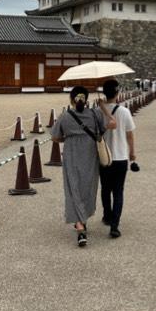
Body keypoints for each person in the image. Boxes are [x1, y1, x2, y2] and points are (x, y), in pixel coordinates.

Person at [51, 85, 116, 247]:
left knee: (73, 187)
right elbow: (101, 131)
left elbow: (55, 137)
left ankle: (80, 226)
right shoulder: (95, 114)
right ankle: (83, 218)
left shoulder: (65, 116)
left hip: (71, 154)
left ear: (71, 99)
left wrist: (70, 139)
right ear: (86, 99)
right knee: (88, 186)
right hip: (90, 154)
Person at [99, 78, 136, 238]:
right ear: (118, 93)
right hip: (120, 156)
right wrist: (132, 152)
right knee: (118, 191)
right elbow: (130, 135)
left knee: (105, 189)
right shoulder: (124, 112)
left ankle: (107, 216)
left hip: (104, 157)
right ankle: (115, 225)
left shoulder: (98, 112)